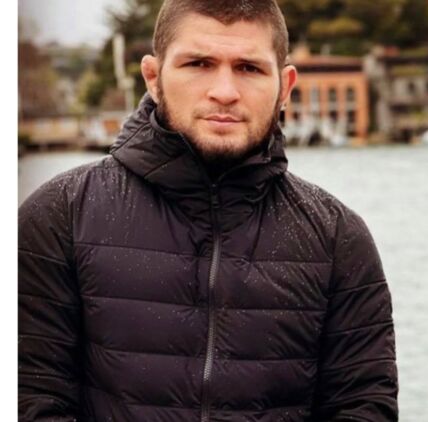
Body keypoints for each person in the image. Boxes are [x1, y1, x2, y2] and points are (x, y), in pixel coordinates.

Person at [18, 0, 398, 420]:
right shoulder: (60, 216)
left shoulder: (338, 239)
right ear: (153, 78)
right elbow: (29, 396)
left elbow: (362, 406)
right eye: (199, 64)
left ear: (285, 87)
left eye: (249, 68)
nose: (225, 91)